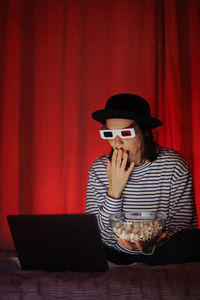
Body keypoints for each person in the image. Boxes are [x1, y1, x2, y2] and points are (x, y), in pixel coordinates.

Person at [86, 93, 200, 265]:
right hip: (115, 254)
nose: (117, 142)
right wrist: (114, 192)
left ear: (145, 131)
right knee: (75, 243)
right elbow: (97, 234)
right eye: (109, 134)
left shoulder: (174, 165)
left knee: (194, 241)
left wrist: (153, 240)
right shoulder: (99, 168)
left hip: (161, 253)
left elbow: (184, 227)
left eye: (125, 132)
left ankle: (144, 267)